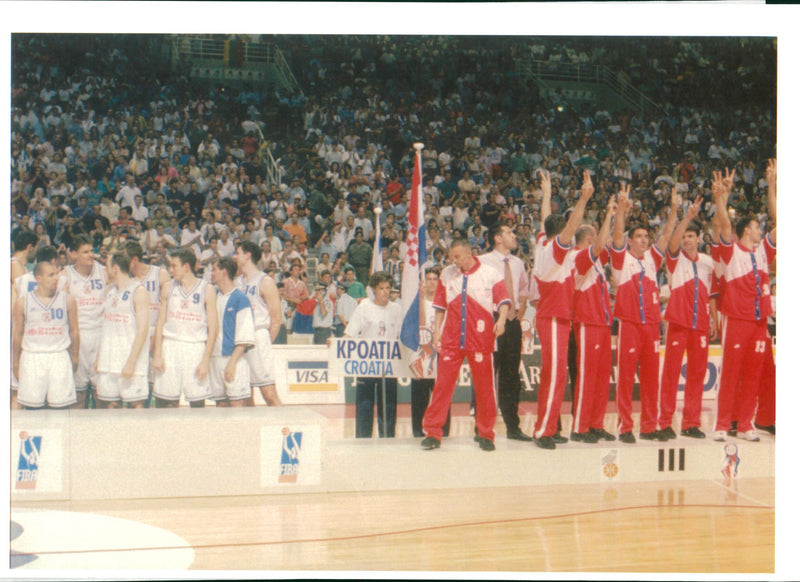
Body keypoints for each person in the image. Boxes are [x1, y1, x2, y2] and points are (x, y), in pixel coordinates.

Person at [421, 239, 510, 452]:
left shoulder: (490, 273)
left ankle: (485, 434)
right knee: (442, 386)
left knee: (485, 389)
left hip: (480, 339)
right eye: (452, 257)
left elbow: (504, 301)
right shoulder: (447, 274)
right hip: (452, 339)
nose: (454, 261)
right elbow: (440, 307)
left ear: (470, 253)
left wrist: (502, 320)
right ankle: (433, 433)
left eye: (458, 257)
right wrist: (436, 332)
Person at [610, 183, 680, 443]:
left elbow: (667, 234)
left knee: (651, 380)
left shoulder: (652, 259)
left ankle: (649, 426)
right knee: (626, 379)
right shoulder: (621, 260)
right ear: (630, 241)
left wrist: (674, 209)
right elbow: (617, 235)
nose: (644, 240)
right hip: (629, 325)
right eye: (638, 236)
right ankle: (625, 426)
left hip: (652, 326)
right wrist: (620, 210)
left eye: (645, 237)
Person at [711, 163, 776, 442]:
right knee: (731, 373)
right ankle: (722, 425)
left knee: (752, 374)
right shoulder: (731, 250)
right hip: (736, 319)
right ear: (745, 230)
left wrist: (772, 186)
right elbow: (724, 224)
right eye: (755, 226)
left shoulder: (762, 252)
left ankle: (746, 424)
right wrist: (721, 198)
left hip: (760, 322)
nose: (760, 229)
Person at [531, 170, 593, 450]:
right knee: (555, 375)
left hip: (555, 317)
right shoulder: (555, 249)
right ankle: (543, 431)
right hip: (553, 317)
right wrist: (584, 198)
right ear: (562, 236)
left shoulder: (543, 243)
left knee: (552, 375)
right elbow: (572, 226)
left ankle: (550, 425)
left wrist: (547, 193)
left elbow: (546, 219)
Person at [657, 197, 715, 439]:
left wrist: (712, 320)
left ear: (699, 239)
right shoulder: (674, 259)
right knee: (671, 374)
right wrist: (687, 216)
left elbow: (712, 294)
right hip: (679, 323)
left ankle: (691, 423)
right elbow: (671, 241)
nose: (687, 239)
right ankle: (664, 422)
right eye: (684, 237)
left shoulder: (708, 263)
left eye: (692, 236)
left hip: (700, 324)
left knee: (697, 375)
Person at [570, 194, 618, 443]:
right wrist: (609, 214)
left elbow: (611, 244)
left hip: (602, 323)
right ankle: (580, 427)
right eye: (597, 235)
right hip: (587, 323)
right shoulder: (579, 258)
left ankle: (596, 422)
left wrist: (619, 214)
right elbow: (602, 244)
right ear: (589, 239)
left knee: (601, 378)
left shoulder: (598, 263)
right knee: (587, 376)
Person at [479, 221, 530, 441]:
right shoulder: (482, 262)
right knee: (487, 374)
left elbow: (523, 289)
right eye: (509, 232)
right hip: (491, 319)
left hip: (512, 322)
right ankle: (482, 429)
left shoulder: (518, 263)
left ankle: (513, 427)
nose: (514, 235)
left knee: (511, 375)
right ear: (497, 238)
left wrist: (522, 308)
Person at [151, 248, 219, 407]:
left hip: (195, 347)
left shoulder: (206, 288)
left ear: (186, 267)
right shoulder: (168, 287)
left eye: (174, 266)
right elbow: (160, 322)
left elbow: (213, 328)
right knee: (165, 401)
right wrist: (157, 353)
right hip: (170, 344)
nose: (170, 269)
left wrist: (205, 361)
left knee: (197, 402)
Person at [13, 260, 80, 409]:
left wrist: (75, 356)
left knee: (60, 408)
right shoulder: (22, 302)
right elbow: (17, 334)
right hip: (32, 356)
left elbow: (74, 331)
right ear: (38, 278)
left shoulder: (67, 300)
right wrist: (15, 362)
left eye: (56, 274)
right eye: (51, 275)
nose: (56, 278)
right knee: (33, 408)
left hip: (59, 356)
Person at [344, 271, 402, 438]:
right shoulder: (364, 307)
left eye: (388, 288)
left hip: (389, 365)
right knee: (364, 405)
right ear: (373, 290)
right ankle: (362, 440)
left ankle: (388, 438)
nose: (385, 292)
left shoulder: (396, 309)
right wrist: (336, 344)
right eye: (381, 288)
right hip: (367, 364)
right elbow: (351, 333)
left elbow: (402, 336)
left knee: (389, 405)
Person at [94, 252, 150, 408]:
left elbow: (143, 330)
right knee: (110, 407)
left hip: (130, 362)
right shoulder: (109, 292)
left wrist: (131, 362)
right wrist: (99, 357)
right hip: (109, 361)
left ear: (115, 268)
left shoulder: (138, 292)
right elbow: (105, 328)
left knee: (136, 406)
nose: (105, 271)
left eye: (107, 267)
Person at [60, 234, 108, 408]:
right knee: (78, 393)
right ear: (73, 254)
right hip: (78, 335)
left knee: (101, 392)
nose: (90, 255)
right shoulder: (65, 275)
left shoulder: (104, 271)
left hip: (101, 334)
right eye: (85, 252)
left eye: (92, 251)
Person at [233, 240, 283, 406]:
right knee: (245, 394)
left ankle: (284, 426)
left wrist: (264, 342)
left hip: (258, 335)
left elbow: (276, 319)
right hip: (240, 338)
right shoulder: (237, 282)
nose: (235, 256)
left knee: (268, 393)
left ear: (247, 255)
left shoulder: (265, 280)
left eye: (238, 252)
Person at [410, 267, 450, 438]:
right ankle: (418, 431)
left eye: (435, 279)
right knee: (419, 395)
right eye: (428, 279)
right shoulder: (416, 304)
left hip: (441, 353)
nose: (432, 282)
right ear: (422, 283)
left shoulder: (445, 304)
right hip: (421, 352)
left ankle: (443, 430)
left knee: (441, 394)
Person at [210, 256, 256, 407]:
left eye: (214, 270)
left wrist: (231, 363)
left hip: (232, 359)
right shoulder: (213, 296)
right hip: (214, 358)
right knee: (220, 405)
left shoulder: (240, 299)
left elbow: (244, 337)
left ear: (223, 272)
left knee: (237, 405)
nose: (211, 273)